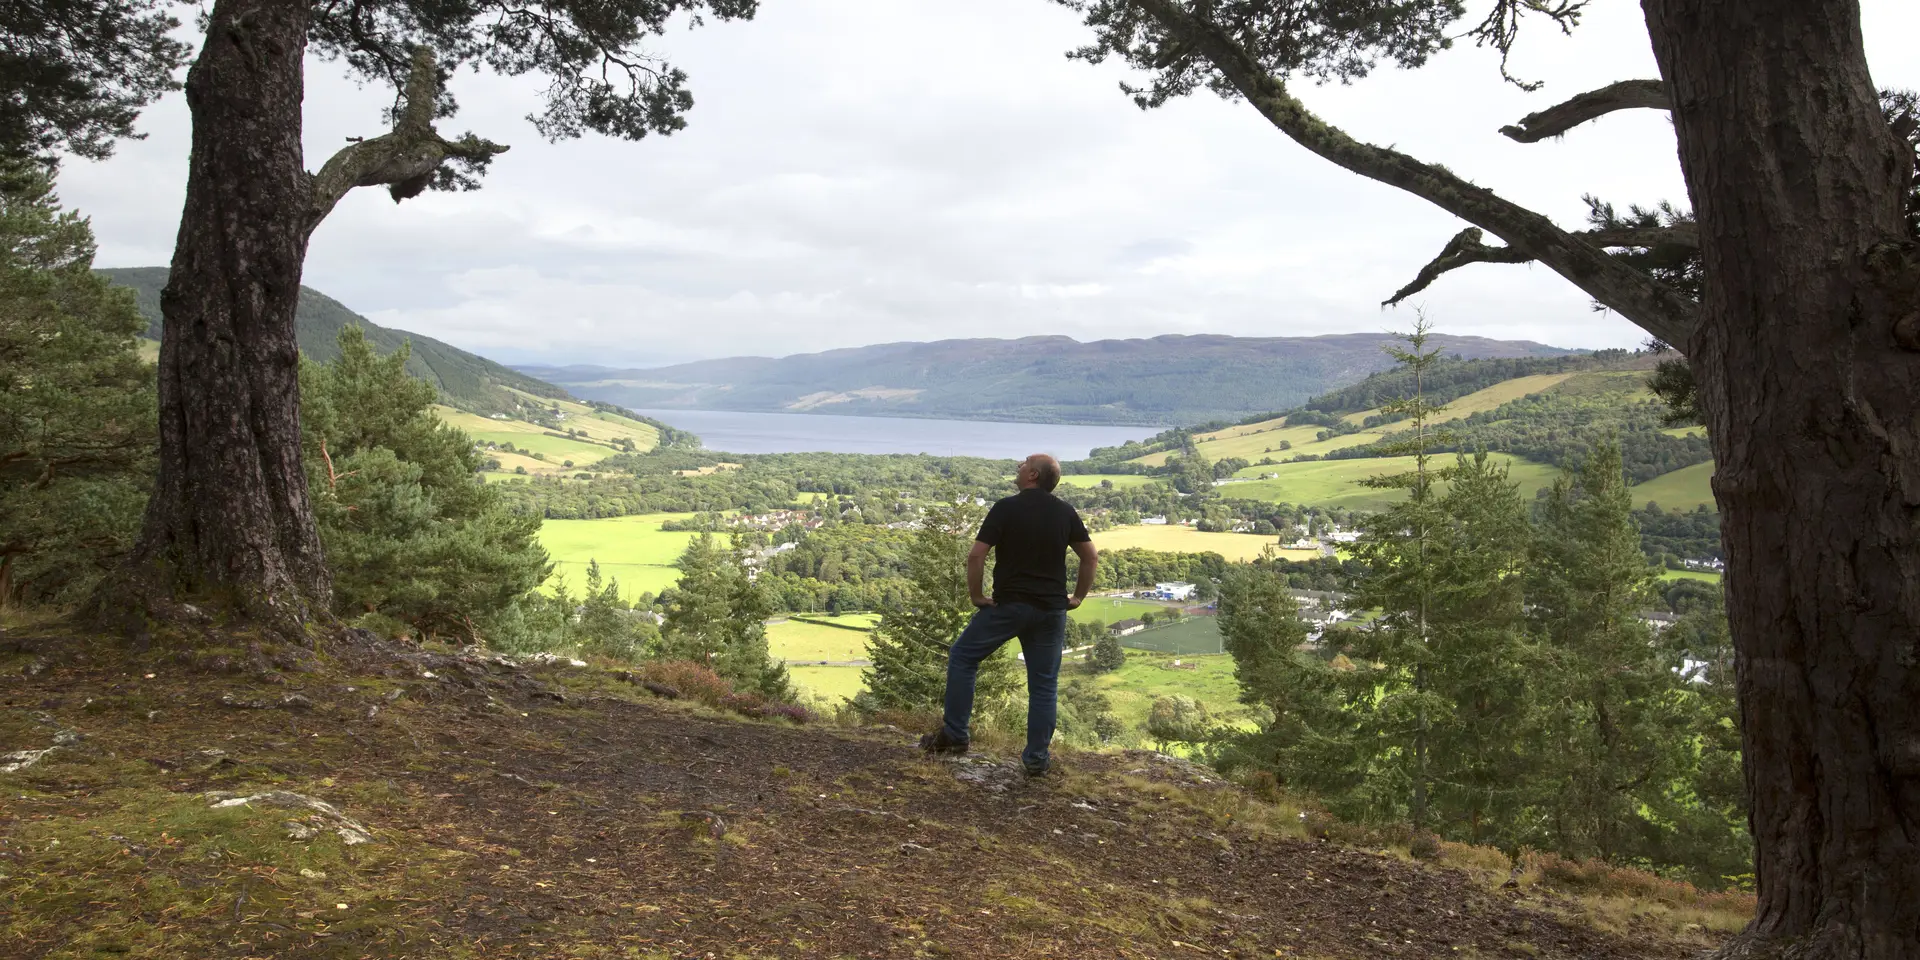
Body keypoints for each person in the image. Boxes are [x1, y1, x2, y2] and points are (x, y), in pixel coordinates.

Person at [920, 453, 1097, 776]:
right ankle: (1036, 760)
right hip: (1050, 611)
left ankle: (955, 735)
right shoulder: (1065, 512)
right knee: (1043, 685)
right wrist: (1078, 597)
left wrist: (977, 596)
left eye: (1023, 463)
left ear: (1032, 475)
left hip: (1009, 607)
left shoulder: (1005, 508)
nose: (1017, 466)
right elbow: (1090, 557)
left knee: (963, 656)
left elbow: (976, 556)